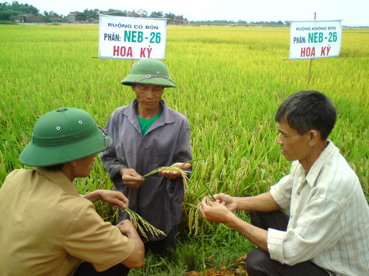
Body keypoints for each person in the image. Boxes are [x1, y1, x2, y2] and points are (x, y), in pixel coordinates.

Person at [200, 90, 369, 276]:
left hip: (333, 268)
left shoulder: (332, 187)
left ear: (311, 137)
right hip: (314, 250)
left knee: (258, 262)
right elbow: (279, 196)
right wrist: (236, 202)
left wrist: (229, 219)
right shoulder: (307, 161)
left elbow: (291, 249)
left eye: (285, 135)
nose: (279, 141)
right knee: (257, 208)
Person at [0, 107, 145, 276]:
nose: (95, 156)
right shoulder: (75, 214)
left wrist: (96, 195)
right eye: (92, 150)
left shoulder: (15, 178)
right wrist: (129, 229)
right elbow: (136, 258)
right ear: (74, 160)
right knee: (120, 257)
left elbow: (50, 211)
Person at [101, 58, 192, 255]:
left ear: (163, 90)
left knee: (163, 255)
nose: (150, 95)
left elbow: (186, 162)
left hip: (161, 201)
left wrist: (177, 171)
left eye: (157, 89)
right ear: (133, 87)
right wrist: (122, 171)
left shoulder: (178, 123)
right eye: (143, 88)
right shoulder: (119, 117)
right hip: (128, 199)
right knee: (128, 251)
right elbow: (108, 156)